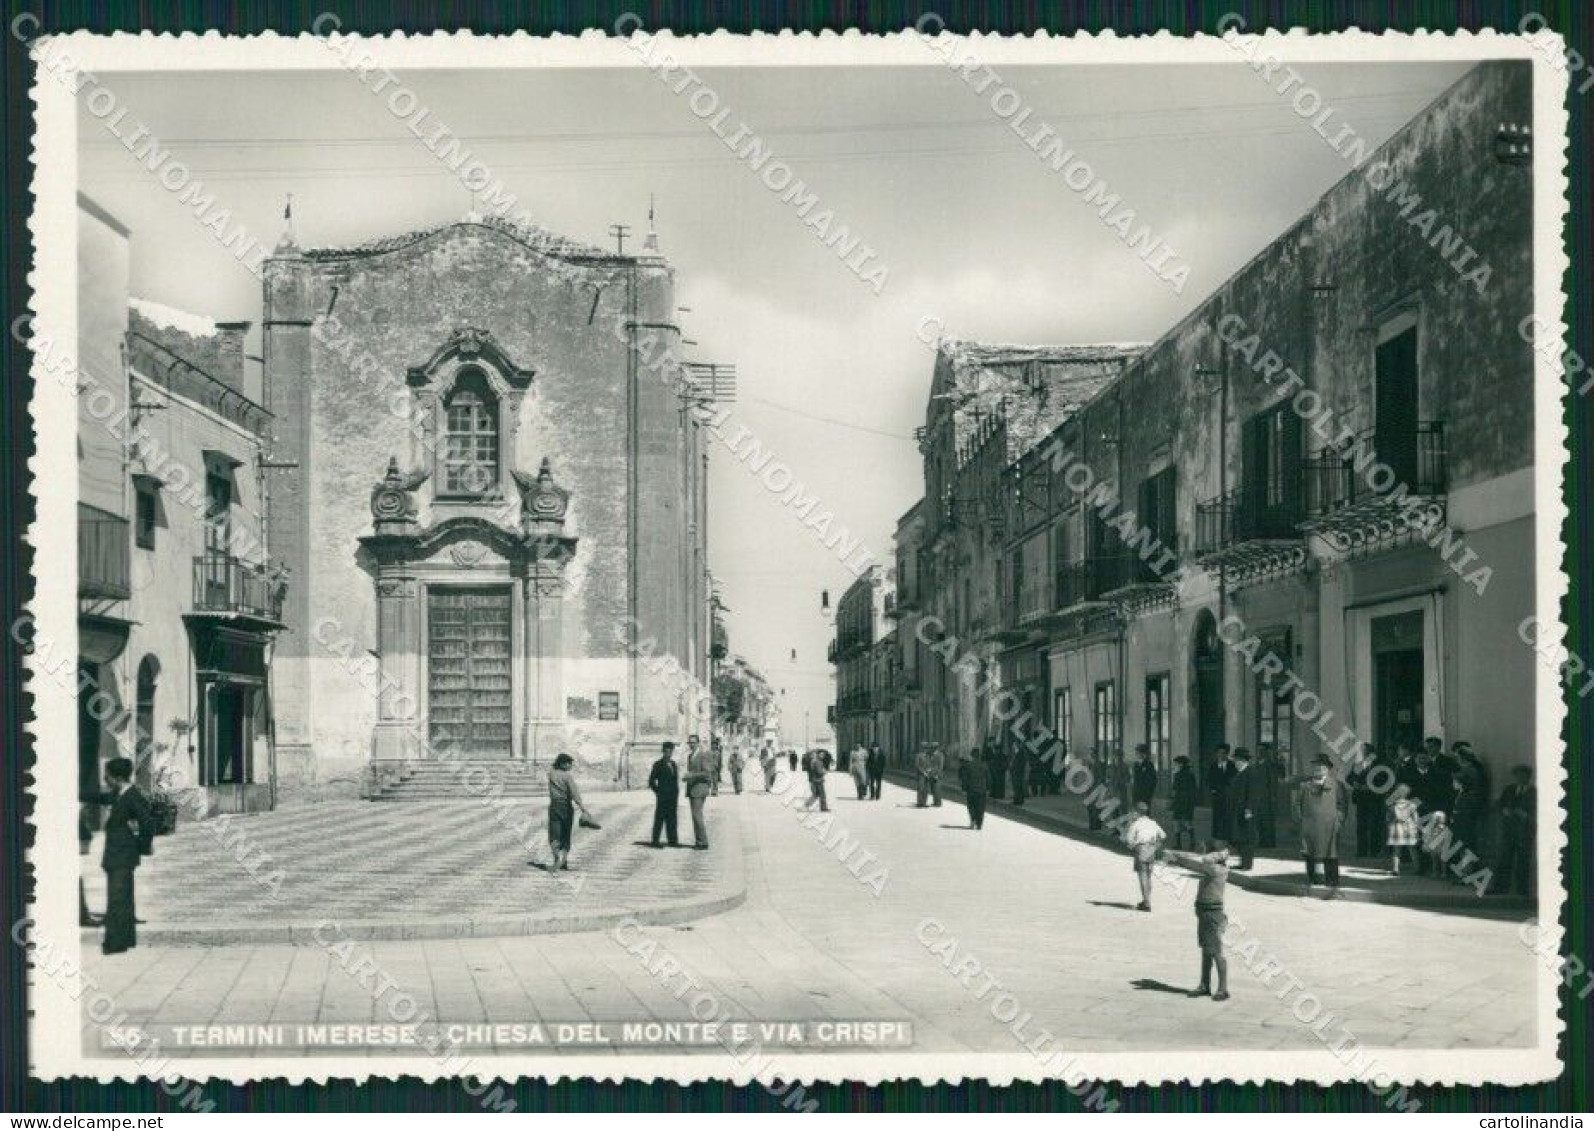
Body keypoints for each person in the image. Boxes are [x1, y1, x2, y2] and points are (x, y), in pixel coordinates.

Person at [95, 757, 152, 955]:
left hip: (122, 855)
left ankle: (116, 943)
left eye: (107, 776)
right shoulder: (119, 794)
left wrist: (141, 847)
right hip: (118, 855)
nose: (105, 779)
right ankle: (125, 939)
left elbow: (147, 822)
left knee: (118, 899)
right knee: (123, 899)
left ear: (118, 778)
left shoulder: (131, 796)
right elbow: (101, 798)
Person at [1161, 841, 1232, 1001]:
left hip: (1212, 915)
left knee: (1216, 952)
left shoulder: (1217, 870)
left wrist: (1176, 858)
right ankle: (1204, 985)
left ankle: (1223, 989)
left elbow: (1201, 862)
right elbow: (1202, 861)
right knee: (1206, 951)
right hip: (1205, 912)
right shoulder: (1214, 869)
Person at [1294, 755, 1347, 891]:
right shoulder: (1305, 786)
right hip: (1310, 825)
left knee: (1331, 853)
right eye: (1316, 767)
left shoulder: (1336, 785)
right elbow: (1298, 804)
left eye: (1322, 767)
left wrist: (1339, 821)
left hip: (1330, 826)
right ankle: (1313, 878)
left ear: (1327, 770)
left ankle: (1332, 880)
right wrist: (1301, 820)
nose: (1318, 770)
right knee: (1310, 852)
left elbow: (1342, 805)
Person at [547, 753, 594, 872]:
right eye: (569, 763)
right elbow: (574, 793)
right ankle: (563, 861)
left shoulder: (551, 774)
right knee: (565, 834)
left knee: (554, 834)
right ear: (563, 764)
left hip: (554, 806)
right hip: (565, 807)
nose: (571, 766)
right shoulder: (567, 777)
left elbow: (552, 769)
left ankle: (556, 858)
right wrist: (583, 808)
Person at [1493, 764, 1534, 897]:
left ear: (1528, 777)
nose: (1520, 778)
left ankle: (1522, 891)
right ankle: (1500, 888)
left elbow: (1539, 812)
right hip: (1508, 830)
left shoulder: (1534, 792)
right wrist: (1504, 810)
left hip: (1524, 832)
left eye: (1523, 776)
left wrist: (1526, 816)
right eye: (1518, 776)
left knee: (1523, 861)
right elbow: (1499, 804)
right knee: (1504, 859)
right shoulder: (1509, 789)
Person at [1124, 802, 1166, 911]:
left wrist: (1133, 846)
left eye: (1134, 812)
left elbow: (1128, 839)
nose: (1133, 814)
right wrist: (1156, 846)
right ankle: (1146, 899)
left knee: (1142, 876)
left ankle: (1146, 903)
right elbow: (1163, 835)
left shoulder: (1135, 824)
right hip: (1151, 849)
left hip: (1141, 848)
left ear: (1137, 812)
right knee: (1148, 875)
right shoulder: (1153, 823)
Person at [1348, 744, 1385, 858]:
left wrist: (1370, 787)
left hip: (1374, 799)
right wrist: (1354, 783)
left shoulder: (1380, 766)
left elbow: (1383, 780)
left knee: (1374, 825)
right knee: (1361, 825)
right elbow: (1349, 777)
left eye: (1367, 752)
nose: (1365, 754)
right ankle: (1361, 851)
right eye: (1364, 752)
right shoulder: (1358, 765)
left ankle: (1374, 851)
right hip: (1361, 799)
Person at [1228, 747, 1257, 870]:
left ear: (1243, 761)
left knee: (1247, 837)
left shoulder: (1251, 773)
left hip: (1246, 811)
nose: (1235, 763)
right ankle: (1242, 862)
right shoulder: (1239, 773)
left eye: (1236, 760)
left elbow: (1253, 793)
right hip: (1237, 810)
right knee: (1239, 836)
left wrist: (1249, 809)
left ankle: (1247, 864)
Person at [647, 742, 681, 848]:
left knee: (672, 818)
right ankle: (655, 841)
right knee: (659, 818)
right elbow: (651, 781)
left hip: (673, 797)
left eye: (670, 751)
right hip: (662, 797)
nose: (668, 753)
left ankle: (673, 841)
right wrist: (658, 792)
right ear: (663, 751)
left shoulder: (674, 764)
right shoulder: (658, 764)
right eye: (666, 751)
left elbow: (675, 780)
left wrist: (676, 792)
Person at [685, 738, 714, 849]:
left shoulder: (703, 755)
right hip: (693, 789)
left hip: (700, 789)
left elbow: (707, 773)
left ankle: (702, 842)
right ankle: (699, 841)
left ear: (698, 743)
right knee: (695, 815)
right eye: (690, 743)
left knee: (697, 816)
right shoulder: (690, 756)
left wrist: (691, 775)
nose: (691, 745)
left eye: (693, 743)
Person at [1254, 743, 1282, 849]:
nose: (1259, 753)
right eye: (1258, 750)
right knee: (1259, 821)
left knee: (1268, 821)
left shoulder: (1270, 765)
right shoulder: (1257, 764)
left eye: (1262, 751)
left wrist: (1273, 797)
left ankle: (1269, 843)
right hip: (1257, 797)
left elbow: (1273, 782)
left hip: (1267, 798)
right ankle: (1262, 841)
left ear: (1266, 752)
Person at [1208, 744, 1235, 841]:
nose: (1221, 755)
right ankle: (1217, 835)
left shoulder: (1232, 765)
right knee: (1217, 815)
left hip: (1228, 795)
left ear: (1227, 754)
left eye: (1223, 753)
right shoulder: (1213, 765)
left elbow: (1234, 779)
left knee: (1228, 815)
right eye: (1219, 753)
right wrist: (1212, 790)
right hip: (1217, 795)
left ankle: (1228, 835)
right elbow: (1210, 779)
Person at [1170, 755, 1198, 850]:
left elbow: (1174, 789)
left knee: (1179, 821)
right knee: (1185, 822)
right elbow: (1194, 789)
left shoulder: (1179, 775)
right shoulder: (1190, 774)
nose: (1175, 765)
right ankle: (1191, 842)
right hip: (1185, 801)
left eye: (1176, 764)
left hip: (1181, 801)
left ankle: (1180, 844)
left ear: (1181, 764)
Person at [961, 751, 990, 830]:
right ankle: (979, 824)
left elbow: (965, 779)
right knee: (981, 807)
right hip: (981, 790)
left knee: (971, 806)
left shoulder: (968, 765)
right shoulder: (984, 765)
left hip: (971, 789)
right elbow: (988, 778)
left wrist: (964, 789)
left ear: (972, 756)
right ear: (979, 756)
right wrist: (988, 788)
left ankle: (973, 820)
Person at [1130, 744, 1158, 808]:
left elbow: (1153, 780)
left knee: (1145, 812)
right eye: (1136, 753)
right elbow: (1133, 778)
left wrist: (1149, 793)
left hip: (1145, 794)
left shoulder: (1149, 765)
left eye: (1138, 752)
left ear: (1143, 754)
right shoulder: (1135, 764)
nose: (1136, 754)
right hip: (1136, 792)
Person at [802, 747, 829, 812]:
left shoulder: (815, 760)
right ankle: (823, 808)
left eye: (824, 755)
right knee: (822, 795)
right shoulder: (817, 761)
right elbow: (819, 771)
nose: (823, 756)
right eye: (822, 754)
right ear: (818, 754)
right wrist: (824, 772)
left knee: (816, 795)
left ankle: (806, 805)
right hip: (818, 780)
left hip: (815, 780)